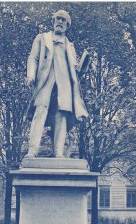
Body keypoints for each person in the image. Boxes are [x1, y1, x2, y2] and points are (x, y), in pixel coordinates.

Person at [26, 9, 88, 158]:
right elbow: (33, 58)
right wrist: (30, 75)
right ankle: (32, 151)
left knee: (61, 116)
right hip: (45, 82)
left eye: (63, 20)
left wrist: (83, 65)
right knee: (40, 112)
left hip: (64, 85)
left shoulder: (70, 46)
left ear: (67, 25)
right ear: (53, 22)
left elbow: (75, 70)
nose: (60, 22)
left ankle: (58, 153)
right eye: (58, 19)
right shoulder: (42, 38)